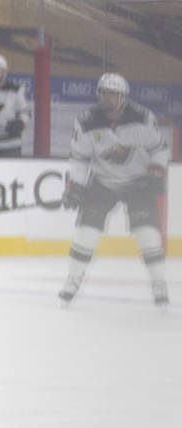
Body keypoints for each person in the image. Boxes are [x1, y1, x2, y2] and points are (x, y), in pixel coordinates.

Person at [58, 73, 169, 307]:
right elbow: (80, 157)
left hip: (138, 183)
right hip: (103, 182)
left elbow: (160, 149)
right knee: (86, 232)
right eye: (104, 93)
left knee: (148, 235)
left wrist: (156, 171)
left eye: (113, 94)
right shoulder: (87, 120)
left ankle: (159, 283)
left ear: (123, 97)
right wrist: (76, 185)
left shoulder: (142, 118)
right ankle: (73, 279)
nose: (108, 99)